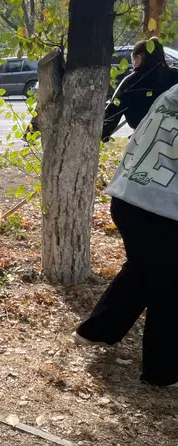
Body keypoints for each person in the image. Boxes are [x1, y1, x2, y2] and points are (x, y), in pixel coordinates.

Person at [72, 83, 178, 388]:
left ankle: (95, 331)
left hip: (129, 196)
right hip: (161, 207)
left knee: (143, 271)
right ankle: (163, 371)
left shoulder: (169, 92)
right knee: (170, 286)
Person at [102, 37, 178, 141]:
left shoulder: (131, 82)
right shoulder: (175, 75)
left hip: (144, 140)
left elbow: (111, 117)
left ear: (138, 58)